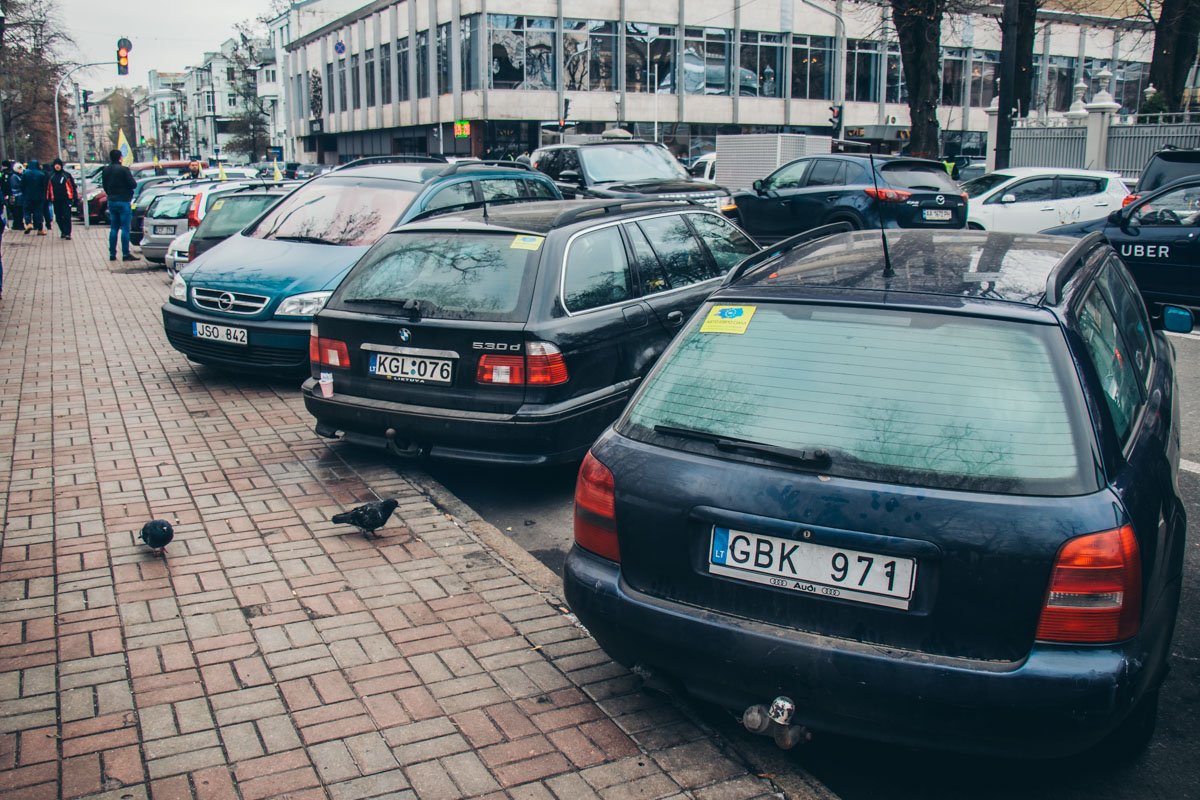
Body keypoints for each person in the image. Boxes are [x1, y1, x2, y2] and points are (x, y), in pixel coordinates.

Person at [102, 149, 137, 261]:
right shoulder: (124, 170)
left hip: (112, 201)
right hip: (123, 201)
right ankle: (126, 254)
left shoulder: (106, 170)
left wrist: (110, 193)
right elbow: (133, 184)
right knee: (125, 228)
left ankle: (112, 254)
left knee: (114, 228)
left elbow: (104, 185)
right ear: (120, 158)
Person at [47, 159, 78, 239]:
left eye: (58, 164)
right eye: (56, 164)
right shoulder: (50, 176)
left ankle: (68, 233)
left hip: (66, 199)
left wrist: (74, 197)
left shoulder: (66, 175)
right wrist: (48, 197)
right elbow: (47, 188)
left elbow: (73, 187)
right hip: (56, 199)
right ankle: (63, 231)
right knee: (58, 217)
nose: (57, 166)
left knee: (67, 216)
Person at [20, 159, 49, 236]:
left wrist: (24, 193)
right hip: (39, 197)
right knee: (38, 212)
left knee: (27, 210)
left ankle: (28, 223)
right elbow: (44, 186)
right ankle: (40, 229)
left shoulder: (25, 173)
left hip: (27, 196)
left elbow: (22, 185)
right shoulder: (41, 174)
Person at [8, 162, 25, 232]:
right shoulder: (14, 176)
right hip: (16, 197)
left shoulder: (19, 176)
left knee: (19, 211)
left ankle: (18, 224)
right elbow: (15, 185)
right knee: (17, 211)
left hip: (19, 197)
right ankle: (18, 224)